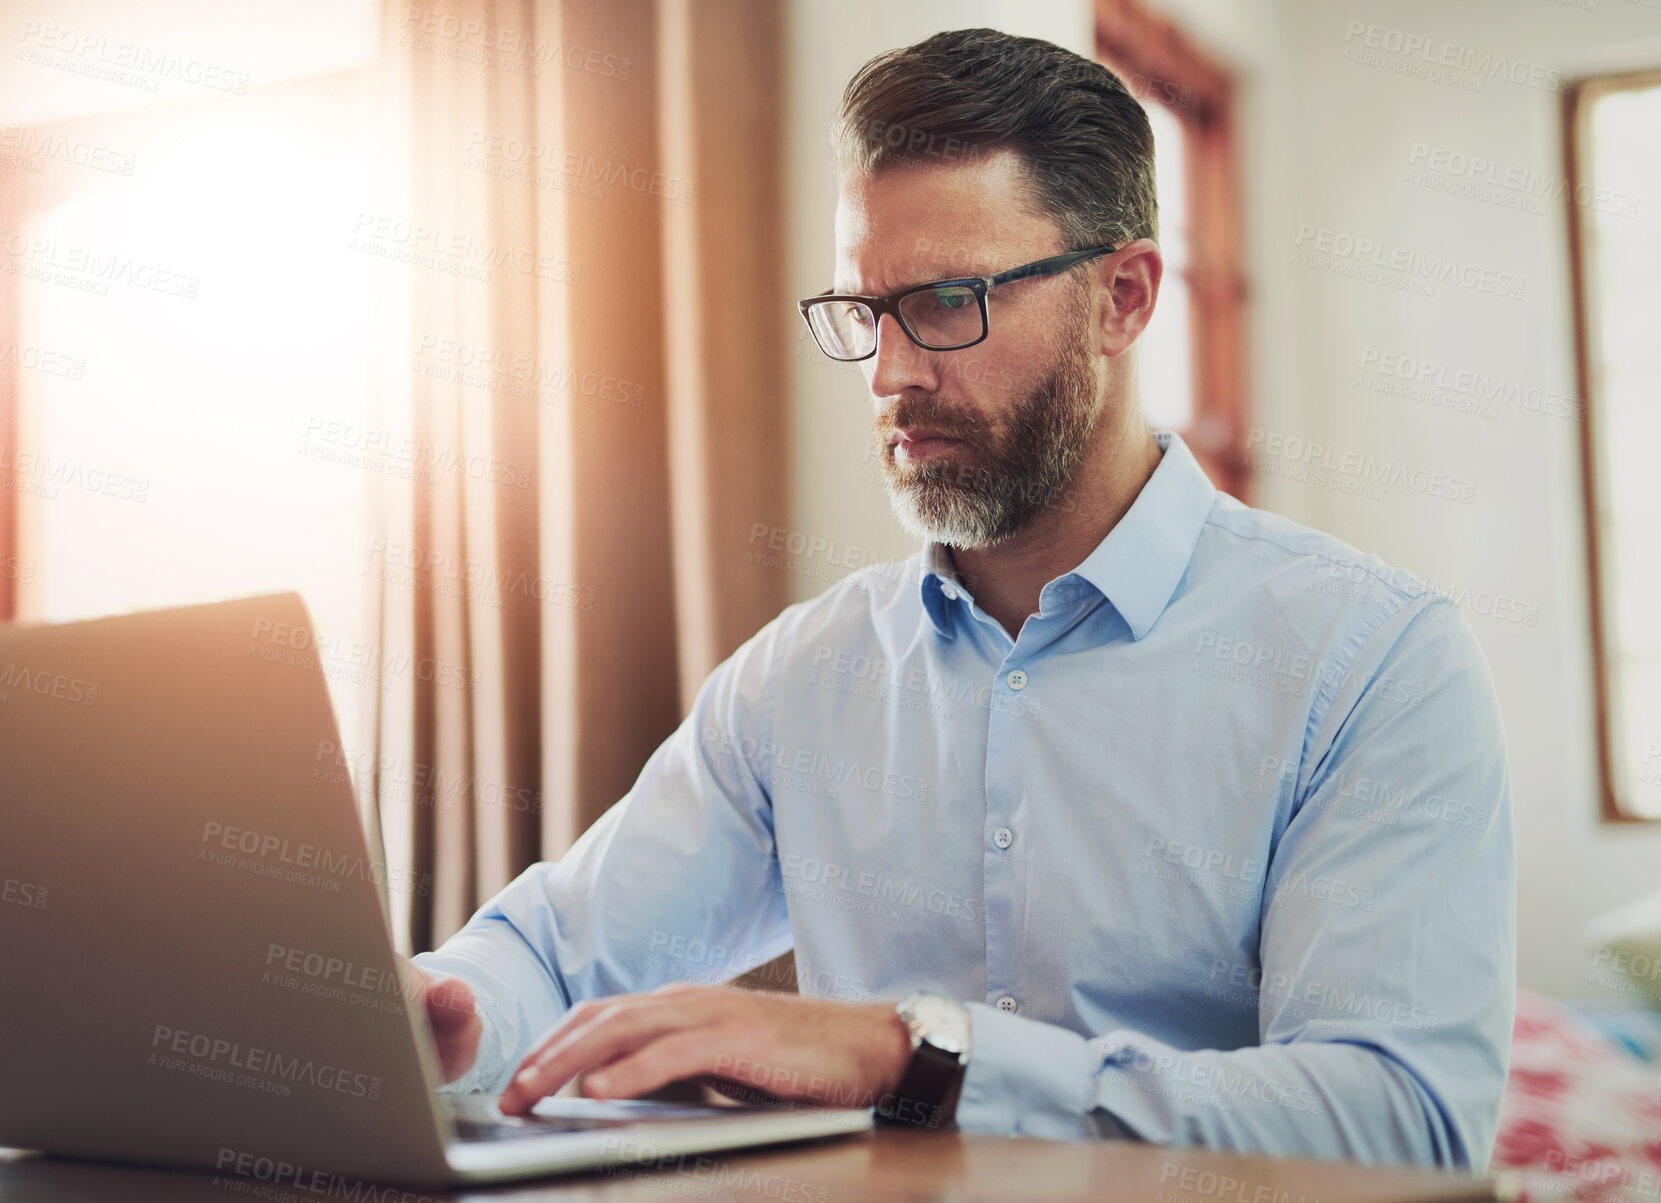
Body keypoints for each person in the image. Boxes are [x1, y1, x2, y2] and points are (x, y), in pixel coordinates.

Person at [408, 27, 1514, 1170]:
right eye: (863, 313)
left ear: (1121, 300)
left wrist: (917, 1055)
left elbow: (1402, 1122)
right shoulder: (800, 679)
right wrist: (435, 1015)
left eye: (944, 303)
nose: (889, 374)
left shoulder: (1373, 662)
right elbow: (549, 955)